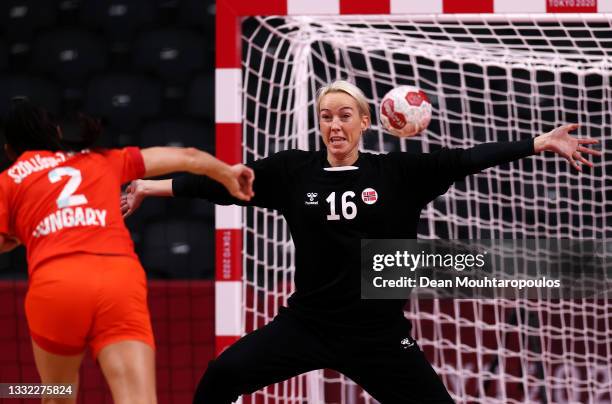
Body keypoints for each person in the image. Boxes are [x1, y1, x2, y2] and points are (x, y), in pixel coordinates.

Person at [122, 80, 601, 404]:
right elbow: (222, 186)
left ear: (366, 122)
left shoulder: (398, 173)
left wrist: (538, 143)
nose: (334, 124)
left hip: (377, 336)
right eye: (326, 115)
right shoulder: (293, 172)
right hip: (305, 325)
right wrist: (149, 186)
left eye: (345, 115)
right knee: (221, 376)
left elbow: (469, 158)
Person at [0, 98, 254, 404]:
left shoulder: (8, 181)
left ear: (9, 150)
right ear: (55, 131)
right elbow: (188, 156)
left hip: (56, 282)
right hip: (117, 280)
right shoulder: (99, 159)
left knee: (57, 393)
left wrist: (20, 236)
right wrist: (228, 174)